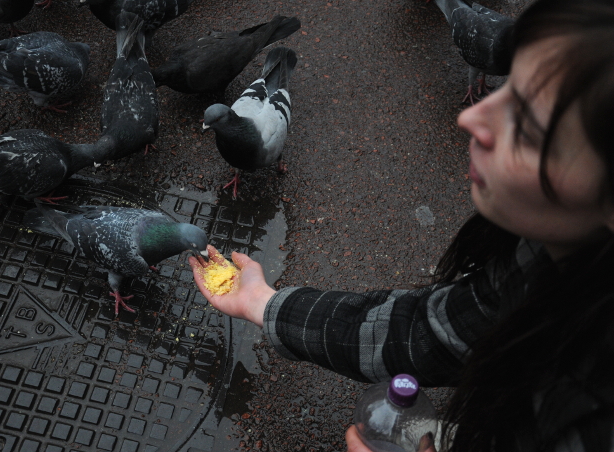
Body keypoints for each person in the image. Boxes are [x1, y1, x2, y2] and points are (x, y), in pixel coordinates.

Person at [189, 0, 614, 450]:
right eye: (508, 89)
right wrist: (263, 302)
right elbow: (424, 332)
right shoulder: (544, 262)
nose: (470, 118)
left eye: (527, 125)